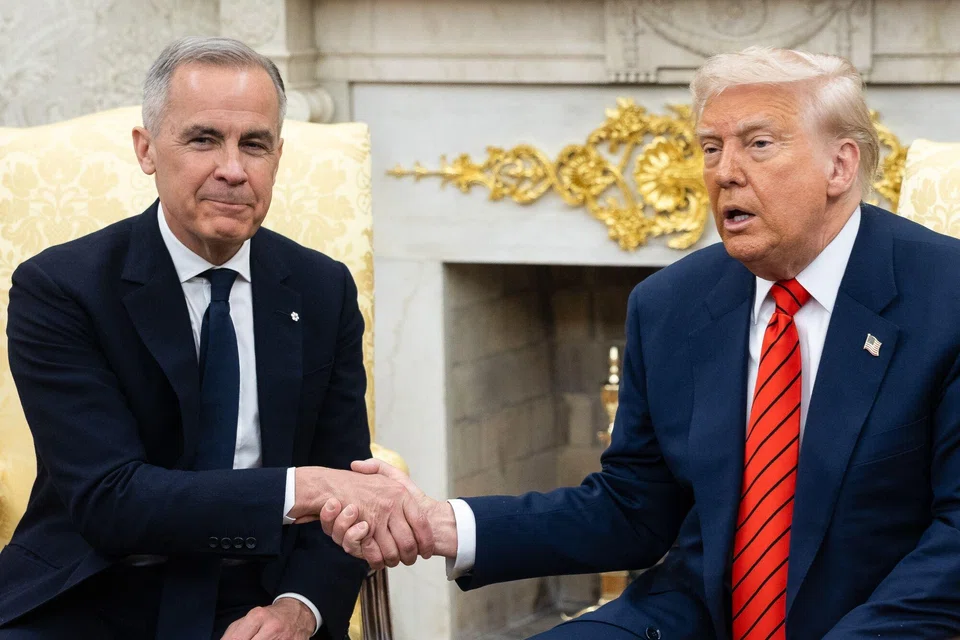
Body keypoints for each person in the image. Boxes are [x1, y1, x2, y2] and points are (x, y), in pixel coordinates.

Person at [326, 47, 960, 639]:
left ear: (840, 164)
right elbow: (633, 509)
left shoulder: (945, 298)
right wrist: (445, 524)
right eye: (711, 148)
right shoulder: (672, 305)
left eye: (758, 145)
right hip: (690, 619)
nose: (725, 173)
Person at [0, 37, 431, 640]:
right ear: (147, 150)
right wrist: (303, 487)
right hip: (95, 586)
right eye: (203, 139)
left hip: (256, 587)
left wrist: (299, 609)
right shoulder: (62, 288)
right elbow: (111, 499)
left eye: (254, 144)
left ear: (277, 156)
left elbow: (346, 495)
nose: (233, 169)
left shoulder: (320, 289)